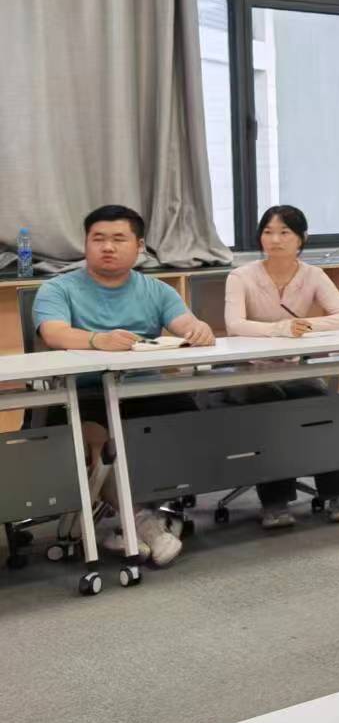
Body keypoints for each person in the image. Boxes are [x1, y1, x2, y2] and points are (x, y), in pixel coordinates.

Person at [34, 204, 218, 568]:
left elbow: (185, 324)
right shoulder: (56, 289)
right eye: (98, 238)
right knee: (99, 444)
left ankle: (138, 520)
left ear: (139, 246)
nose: (107, 247)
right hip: (80, 393)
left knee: (189, 424)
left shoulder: (157, 290)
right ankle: (144, 524)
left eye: (119, 239)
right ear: (85, 243)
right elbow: (53, 332)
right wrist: (96, 340)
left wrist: (198, 330)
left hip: (141, 390)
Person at [223, 204, 339, 527]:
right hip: (251, 371)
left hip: (295, 370)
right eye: (268, 232)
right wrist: (279, 329)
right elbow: (234, 325)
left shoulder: (313, 275)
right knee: (269, 409)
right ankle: (275, 501)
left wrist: (305, 326)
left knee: (323, 408)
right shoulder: (240, 276)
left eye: (285, 232)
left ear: (302, 238)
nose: (275, 239)